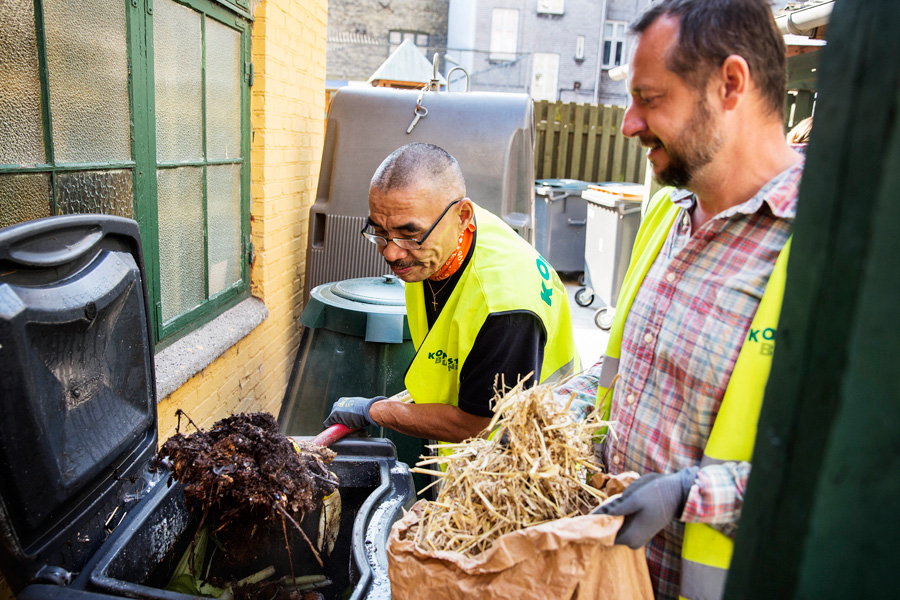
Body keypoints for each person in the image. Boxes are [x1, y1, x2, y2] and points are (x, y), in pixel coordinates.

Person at [555, 1, 805, 598]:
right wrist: (551, 409)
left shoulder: (826, 250)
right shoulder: (670, 213)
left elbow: (844, 482)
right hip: (614, 579)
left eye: (650, 98)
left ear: (730, 84)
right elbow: (625, 373)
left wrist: (689, 495)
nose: (628, 124)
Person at [323, 143, 579, 444]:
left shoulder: (505, 308)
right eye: (378, 231)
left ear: (463, 215)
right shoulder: (444, 234)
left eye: (410, 235)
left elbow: (477, 426)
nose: (391, 252)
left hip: (527, 456)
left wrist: (375, 411)